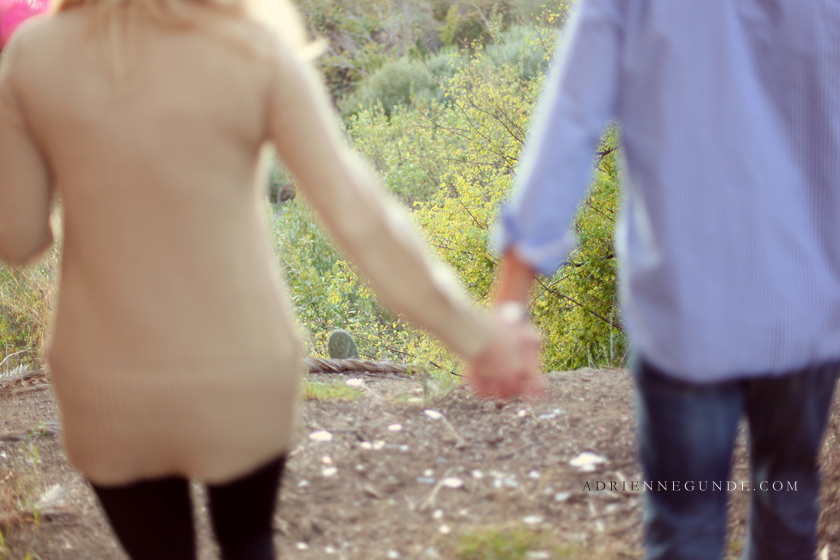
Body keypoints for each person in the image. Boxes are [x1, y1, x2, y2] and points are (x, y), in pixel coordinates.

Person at [0, 0, 542, 558]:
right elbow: (359, 216)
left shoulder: (35, 55)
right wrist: (477, 338)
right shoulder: (252, 46)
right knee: (247, 539)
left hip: (105, 384)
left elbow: (19, 240)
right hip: (240, 373)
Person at [479, 1, 840, 559]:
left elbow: (570, 121)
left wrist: (510, 300)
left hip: (686, 307)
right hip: (810, 302)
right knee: (788, 505)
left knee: (684, 525)